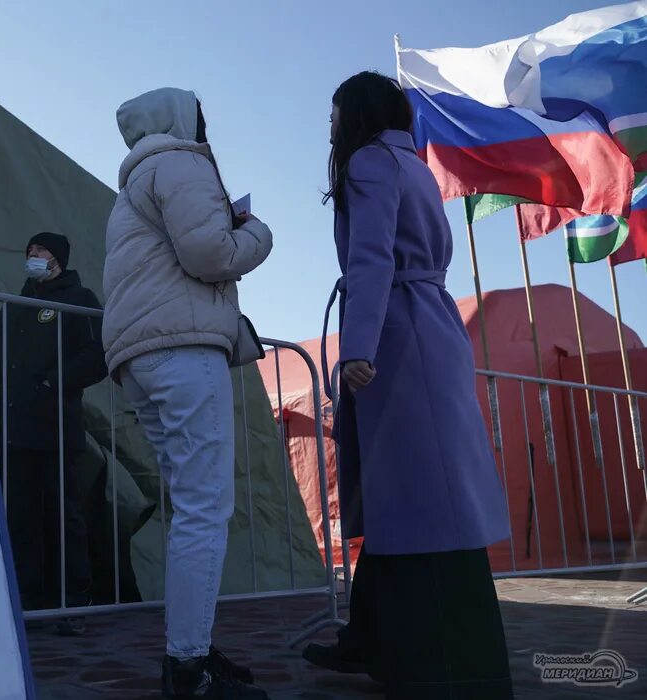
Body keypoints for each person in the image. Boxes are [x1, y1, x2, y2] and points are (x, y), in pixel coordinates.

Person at [302, 71, 513, 700]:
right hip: (432, 323)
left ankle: (434, 658)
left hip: (396, 332)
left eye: (334, 112)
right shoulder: (414, 164)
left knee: (418, 500)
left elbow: (371, 256)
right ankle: (374, 636)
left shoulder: (367, 163)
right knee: (415, 498)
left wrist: (358, 347)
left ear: (357, 115)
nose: (330, 125)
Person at [103, 88, 273, 700]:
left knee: (189, 511)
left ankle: (191, 645)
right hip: (182, 352)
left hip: (140, 357)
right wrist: (256, 232)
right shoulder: (182, 164)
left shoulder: (132, 185)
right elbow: (210, 253)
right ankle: (188, 665)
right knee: (204, 510)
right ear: (183, 120)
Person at [0, 232, 107, 636]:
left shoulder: (78, 299)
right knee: (19, 516)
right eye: (28, 250)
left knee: (63, 516)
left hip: (56, 427)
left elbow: (97, 355)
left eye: (38, 250)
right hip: (15, 428)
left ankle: (73, 603)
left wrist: (54, 383)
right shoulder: (16, 303)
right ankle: (27, 602)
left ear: (58, 257)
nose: (32, 255)